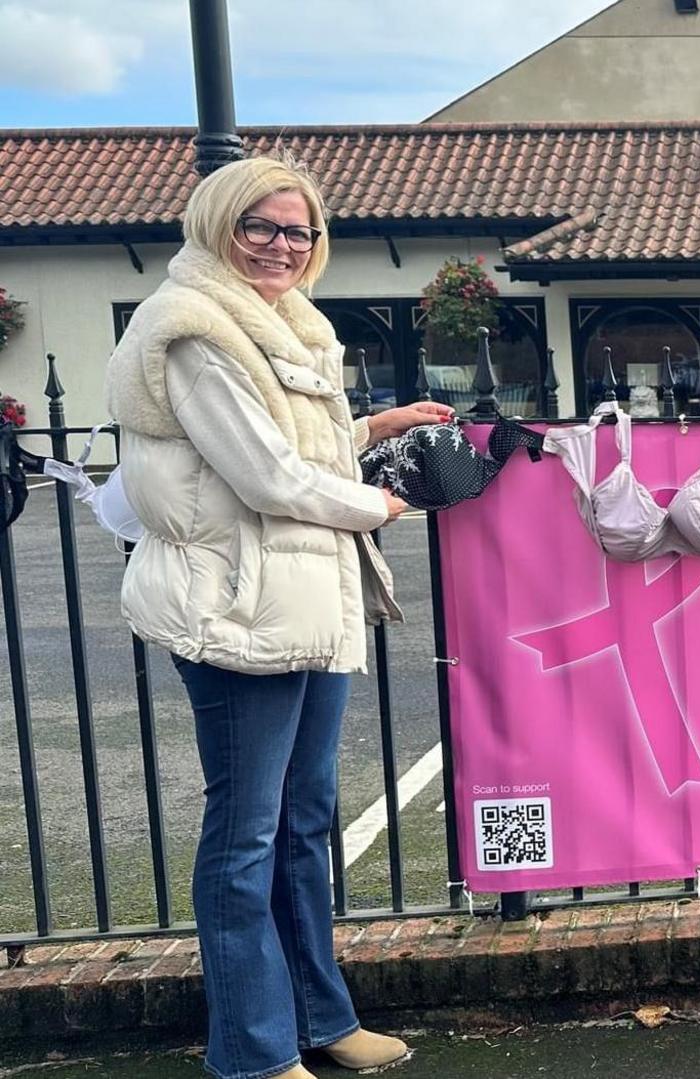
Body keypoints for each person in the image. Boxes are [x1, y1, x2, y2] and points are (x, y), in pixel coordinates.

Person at [104, 156, 455, 1079]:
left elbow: (284, 447)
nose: (281, 245)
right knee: (246, 832)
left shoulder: (288, 325)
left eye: (297, 231)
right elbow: (262, 475)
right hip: (234, 607)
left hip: (302, 599)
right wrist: (379, 505)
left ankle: (319, 1019)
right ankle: (254, 1052)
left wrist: (371, 432)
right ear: (219, 224)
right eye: (260, 225)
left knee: (302, 821)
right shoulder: (193, 329)